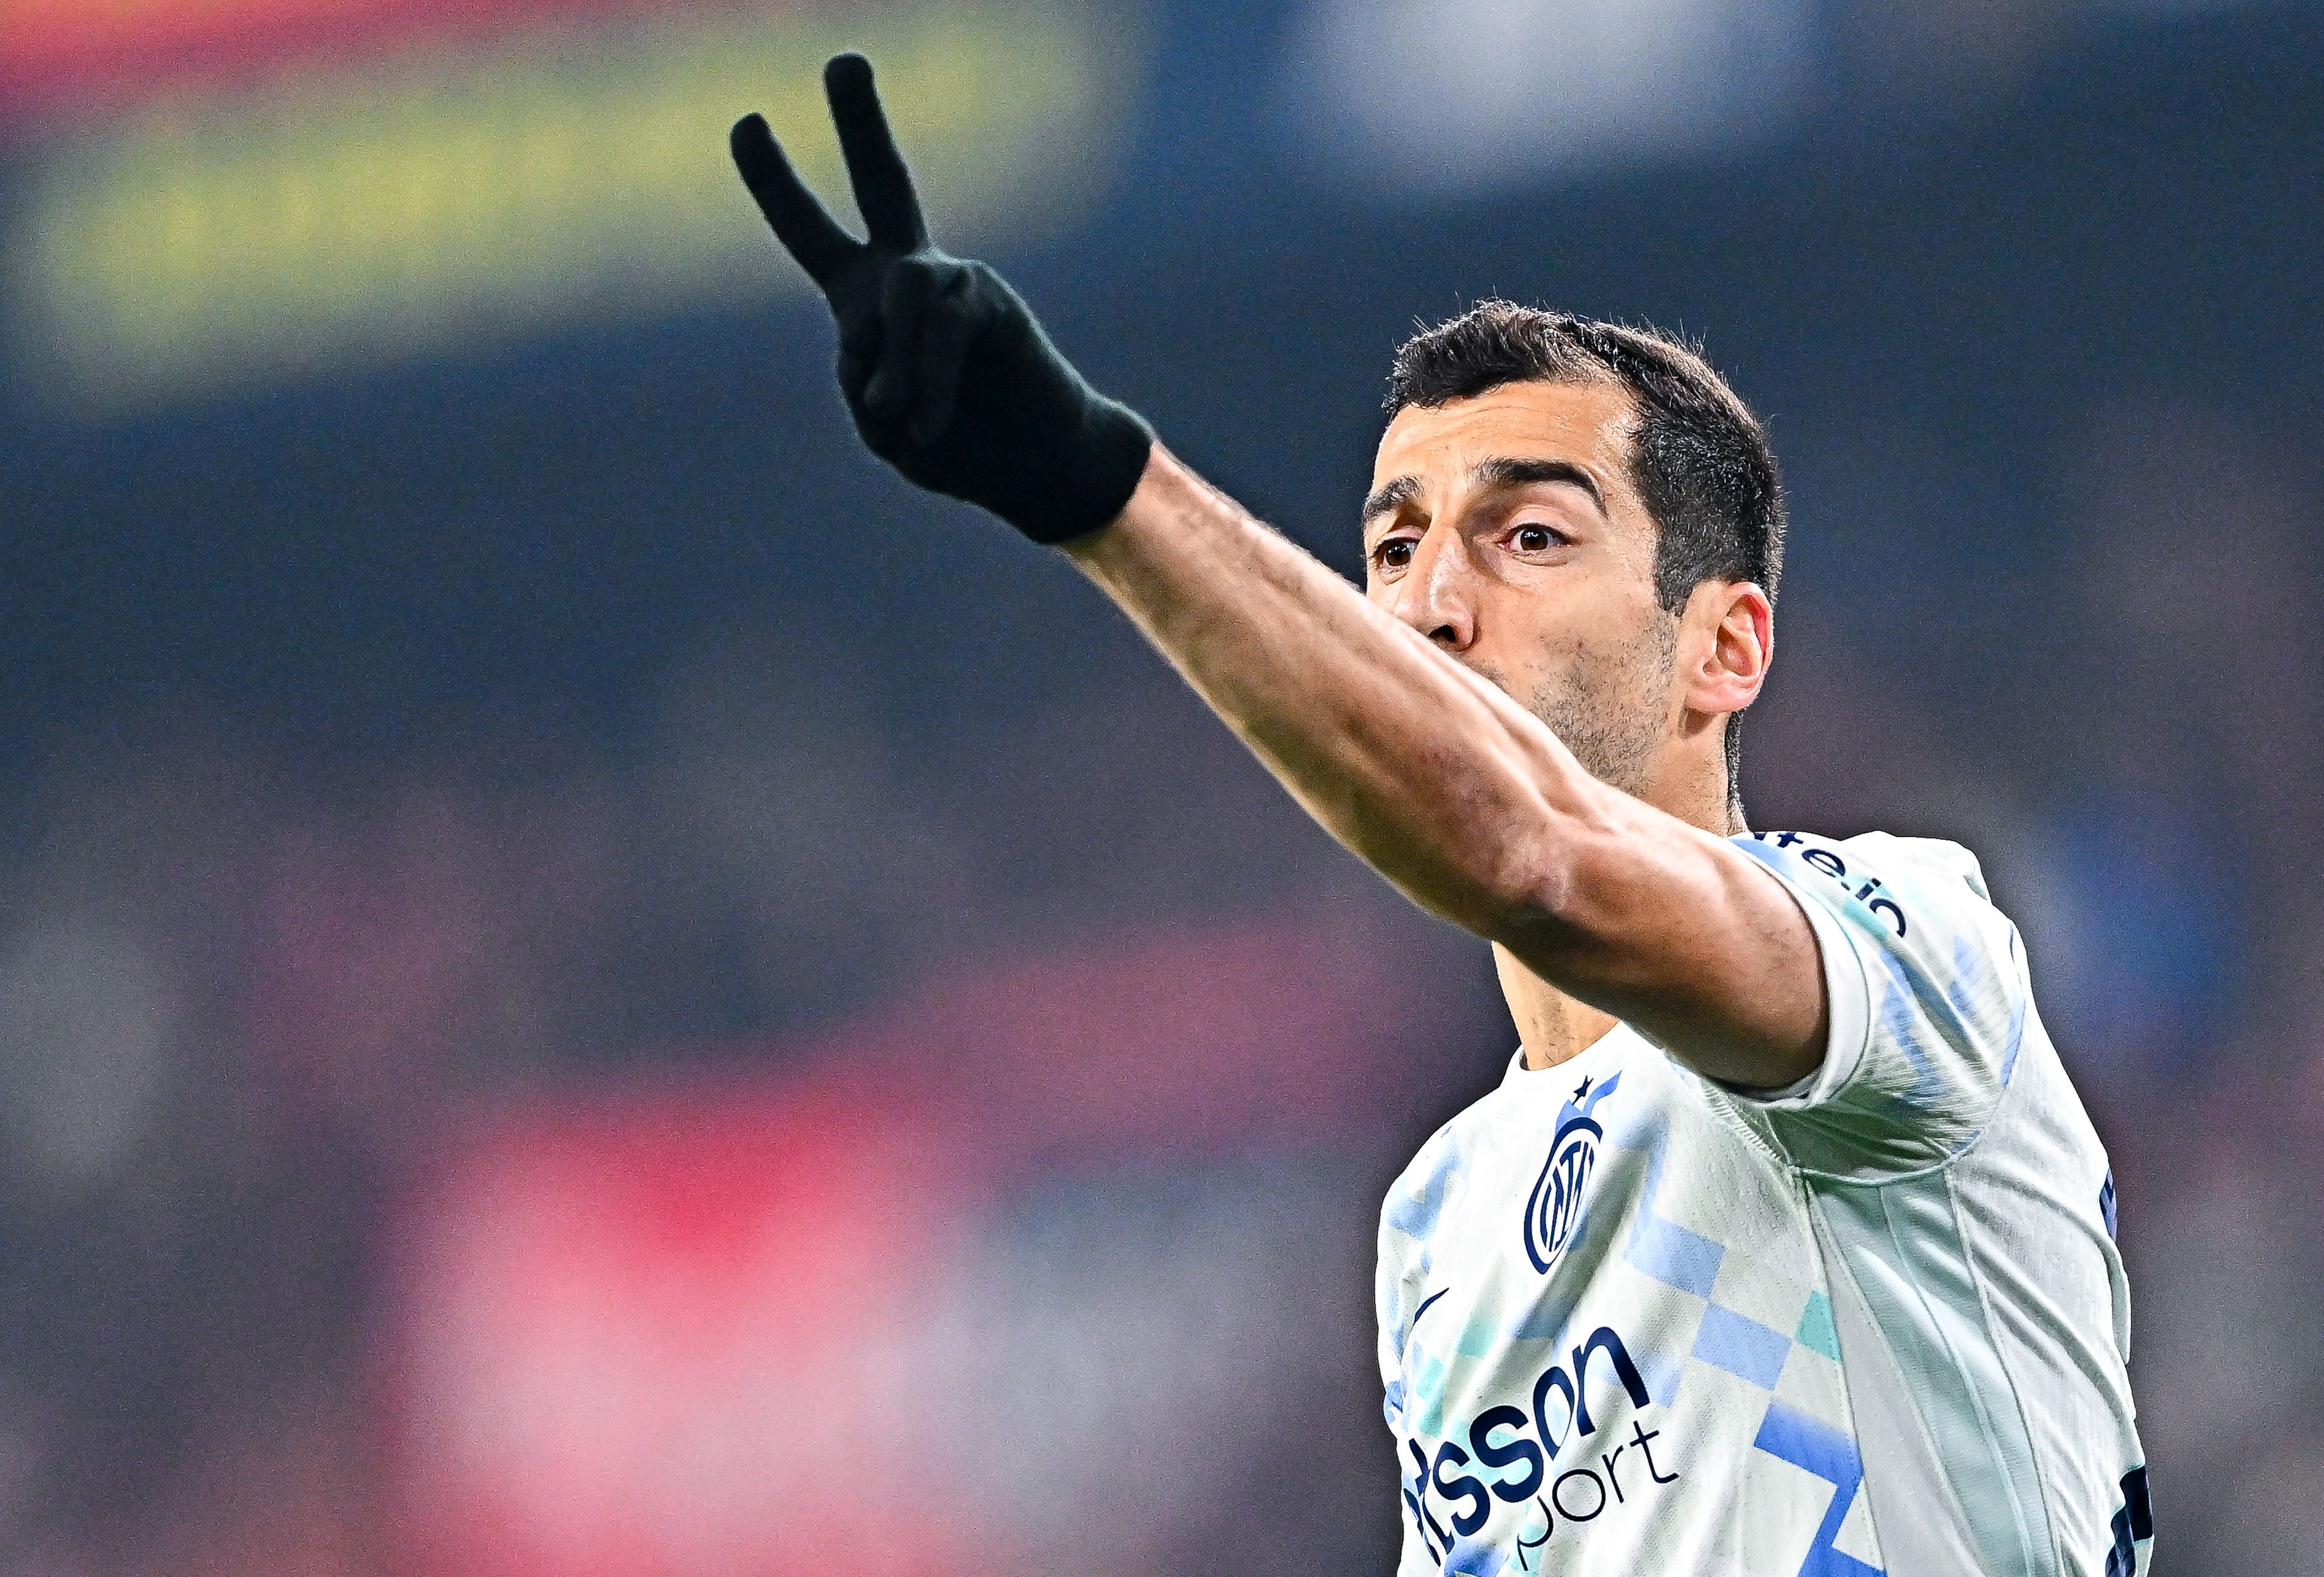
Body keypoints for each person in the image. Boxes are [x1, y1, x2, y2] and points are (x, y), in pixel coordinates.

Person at [728, 55, 2151, 1577]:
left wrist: (1096, 486)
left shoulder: (1909, 949)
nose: (1432, 605)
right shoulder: (1439, 1220)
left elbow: (1533, 853)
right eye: (1394, 551)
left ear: (1724, 645)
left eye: (1527, 534)